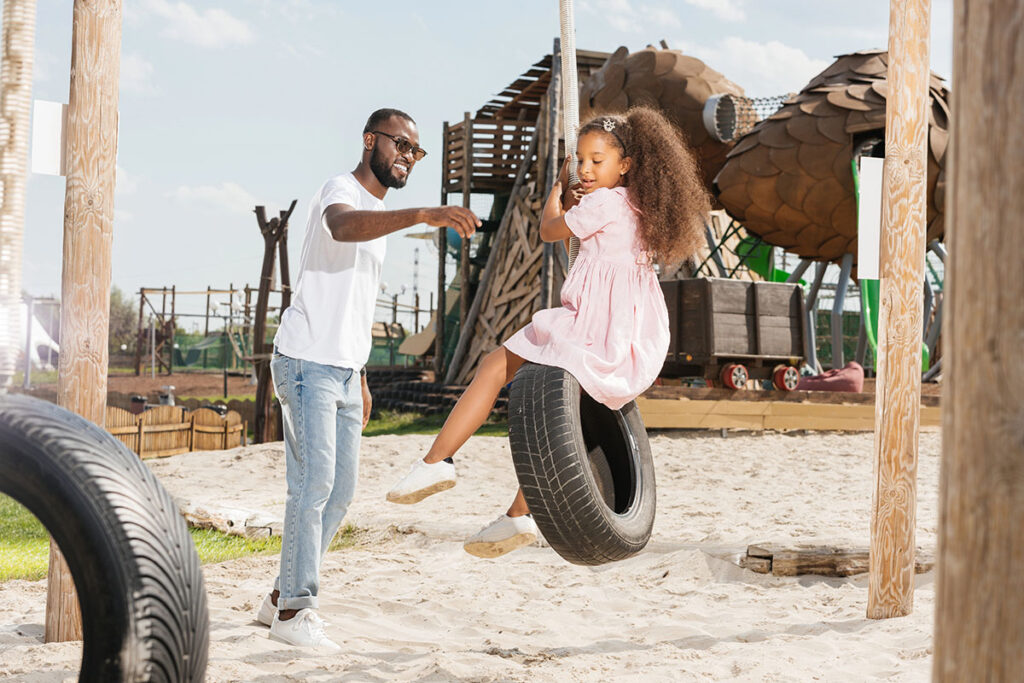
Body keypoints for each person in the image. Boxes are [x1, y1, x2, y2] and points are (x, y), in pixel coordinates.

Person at [386, 106, 710, 558]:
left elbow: (548, 230)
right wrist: (576, 198)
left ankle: (436, 462)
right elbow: (577, 244)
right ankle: (517, 516)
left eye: (598, 161)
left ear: (626, 165)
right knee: (558, 425)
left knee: (495, 366)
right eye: (580, 160)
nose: (586, 168)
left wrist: (559, 188)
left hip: (592, 323)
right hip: (629, 330)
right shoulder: (640, 204)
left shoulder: (603, 202)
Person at [255, 108, 480, 650]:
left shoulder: (377, 213)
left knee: (339, 494)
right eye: (400, 145)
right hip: (306, 362)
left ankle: (279, 596)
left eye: (415, 152)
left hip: (343, 371)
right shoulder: (342, 192)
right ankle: (294, 613)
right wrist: (423, 212)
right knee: (313, 488)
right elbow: (341, 227)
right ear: (369, 141)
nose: (407, 157)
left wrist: (360, 374)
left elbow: (353, 304)